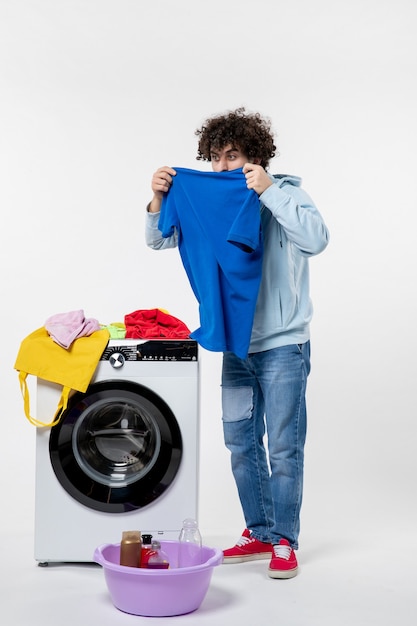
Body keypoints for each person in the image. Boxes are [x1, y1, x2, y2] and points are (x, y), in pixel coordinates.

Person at [145, 107, 329, 579]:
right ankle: (259, 530)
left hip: (284, 345)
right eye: (217, 159)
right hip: (235, 344)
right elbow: (160, 241)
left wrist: (268, 192)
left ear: (257, 156)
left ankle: (284, 541)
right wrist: (158, 199)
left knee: (285, 446)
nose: (224, 167)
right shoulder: (213, 199)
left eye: (234, 156)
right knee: (241, 443)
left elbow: (316, 239)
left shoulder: (286, 193)